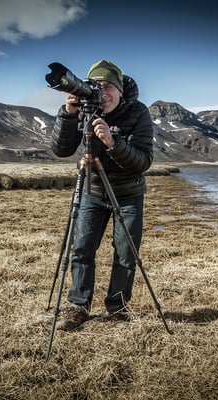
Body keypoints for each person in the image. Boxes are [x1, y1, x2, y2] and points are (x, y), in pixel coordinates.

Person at [50, 60, 154, 330]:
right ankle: (78, 306)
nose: (102, 93)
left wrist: (112, 142)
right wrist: (69, 113)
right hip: (93, 191)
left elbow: (143, 162)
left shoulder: (138, 112)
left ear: (120, 90)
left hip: (128, 195)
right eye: (96, 86)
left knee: (125, 254)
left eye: (108, 86)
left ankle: (118, 308)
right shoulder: (85, 109)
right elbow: (61, 150)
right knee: (82, 249)